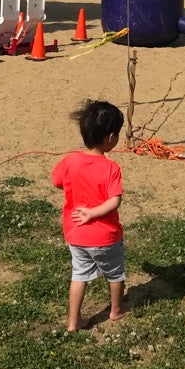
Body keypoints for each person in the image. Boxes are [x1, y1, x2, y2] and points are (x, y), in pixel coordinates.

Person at [52, 100, 127, 331]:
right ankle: (115, 311)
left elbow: (57, 181)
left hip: (76, 235)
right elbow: (115, 200)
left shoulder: (70, 161)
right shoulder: (111, 168)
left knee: (79, 275)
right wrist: (94, 213)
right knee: (115, 274)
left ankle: (73, 322)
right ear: (110, 138)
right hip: (105, 237)